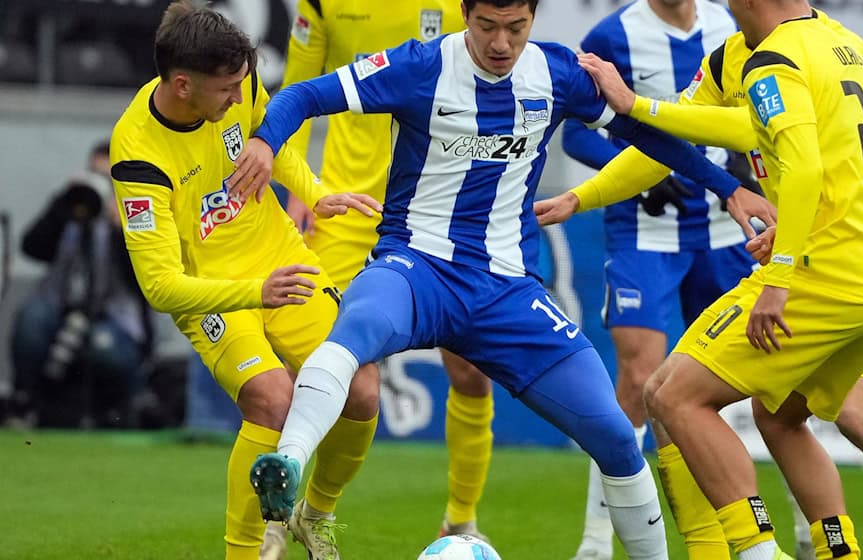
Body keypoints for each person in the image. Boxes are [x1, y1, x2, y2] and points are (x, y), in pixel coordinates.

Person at [231, 0, 775, 556]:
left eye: (515, 28)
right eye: (487, 26)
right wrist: (265, 141)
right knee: (355, 332)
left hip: (507, 291)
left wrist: (726, 186)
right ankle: (289, 464)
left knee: (615, 435)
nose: (500, 43)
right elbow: (302, 94)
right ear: (464, 15)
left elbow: (646, 134)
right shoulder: (419, 66)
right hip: (417, 266)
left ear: (532, 20)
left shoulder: (558, 73)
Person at [538, 5, 863, 559]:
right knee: (798, 414)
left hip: (826, 274)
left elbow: (804, 165)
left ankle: (741, 551)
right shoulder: (833, 42)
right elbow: (705, 137)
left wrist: (782, 270)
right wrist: (584, 196)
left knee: (671, 396)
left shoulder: (775, 59)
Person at [108, 3, 382, 559]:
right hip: (211, 290)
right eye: (226, 90)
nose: (239, 98)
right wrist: (256, 293)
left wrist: (314, 190)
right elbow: (161, 287)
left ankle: (315, 514)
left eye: (242, 85)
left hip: (279, 257)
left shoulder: (236, 79)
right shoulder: (139, 157)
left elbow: (266, 146)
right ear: (182, 85)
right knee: (271, 400)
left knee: (362, 389)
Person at [279, 0, 495, 542]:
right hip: (346, 208)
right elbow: (296, 88)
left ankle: (463, 518)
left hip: (438, 208)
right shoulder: (322, 3)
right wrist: (296, 190)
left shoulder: (463, 5)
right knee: (311, 368)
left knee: (471, 370)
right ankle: (285, 516)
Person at [558, 2, 761, 558]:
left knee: (760, 388)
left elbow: (757, 115)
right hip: (644, 234)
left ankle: (790, 533)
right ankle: (597, 541)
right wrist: (632, 168)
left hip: (726, 231)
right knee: (641, 379)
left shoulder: (733, 25)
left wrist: (745, 167)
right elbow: (577, 136)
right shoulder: (614, 34)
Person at [6, 140, 151, 428]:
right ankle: (26, 404)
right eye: (93, 176)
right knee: (30, 323)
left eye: (107, 180)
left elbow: (146, 283)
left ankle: (110, 410)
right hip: (58, 305)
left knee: (103, 348)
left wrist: (124, 232)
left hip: (112, 314)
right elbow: (32, 248)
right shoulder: (67, 213)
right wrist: (61, 205)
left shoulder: (131, 217)